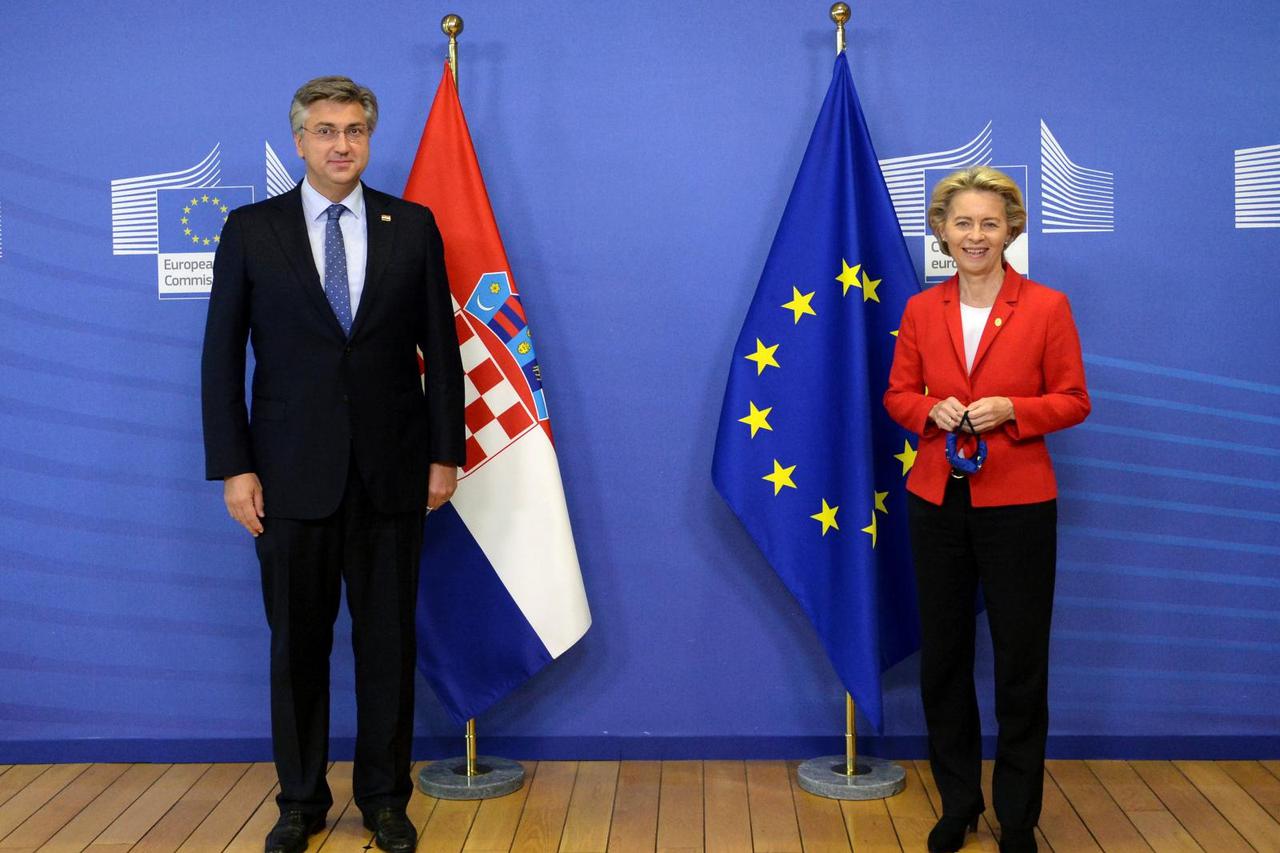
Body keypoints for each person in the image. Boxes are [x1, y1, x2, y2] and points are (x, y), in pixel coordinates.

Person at [201, 76, 464, 853]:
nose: (340, 143)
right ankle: (301, 801)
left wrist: (443, 453)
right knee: (297, 648)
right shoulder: (251, 230)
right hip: (286, 479)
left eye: (354, 130)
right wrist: (235, 467)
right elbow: (222, 360)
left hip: (393, 473)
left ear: (369, 139)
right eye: (324, 130)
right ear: (300, 140)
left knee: (387, 645)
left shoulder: (411, 225)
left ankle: (385, 798)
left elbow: (442, 358)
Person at [883, 166, 1090, 853]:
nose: (976, 235)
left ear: (1012, 229)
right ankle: (959, 803)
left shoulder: (1047, 306)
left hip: (1019, 506)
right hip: (936, 501)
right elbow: (897, 395)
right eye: (963, 223)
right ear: (941, 230)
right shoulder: (920, 310)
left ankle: (1018, 818)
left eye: (990, 223)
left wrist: (1015, 410)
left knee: (1020, 662)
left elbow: (1072, 399)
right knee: (943, 659)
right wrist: (926, 409)